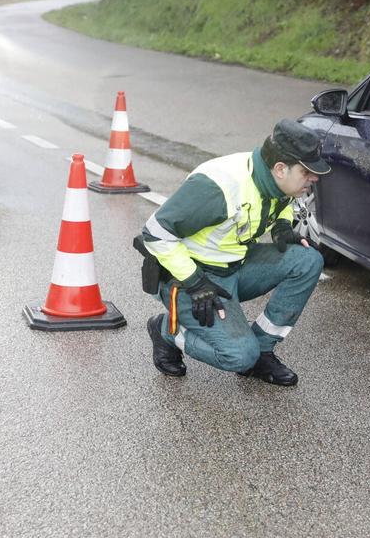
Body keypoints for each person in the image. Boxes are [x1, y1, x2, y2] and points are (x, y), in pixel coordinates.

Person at [137, 118, 330, 386]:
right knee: (239, 356)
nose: (314, 179)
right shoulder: (217, 187)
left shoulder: (276, 178)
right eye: (307, 172)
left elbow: (282, 201)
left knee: (307, 261)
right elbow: (154, 233)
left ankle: (262, 351)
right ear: (280, 169)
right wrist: (194, 282)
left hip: (233, 265)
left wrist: (283, 225)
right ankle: (166, 331)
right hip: (190, 279)